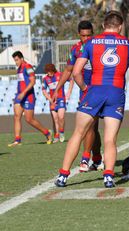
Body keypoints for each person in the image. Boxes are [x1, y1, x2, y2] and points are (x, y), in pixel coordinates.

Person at [55, 11, 129, 188]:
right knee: (110, 139)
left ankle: (63, 175)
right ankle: (108, 176)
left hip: (94, 91)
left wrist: (84, 88)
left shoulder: (90, 42)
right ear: (120, 26)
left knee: (78, 133)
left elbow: (75, 72)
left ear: (104, 25)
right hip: (116, 93)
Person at [53, 20, 103, 172]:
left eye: (88, 35)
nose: (86, 39)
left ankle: (91, 158)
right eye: (83, 36)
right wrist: (58, 88)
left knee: (93, 127)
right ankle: (91, 158)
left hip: (101, 89)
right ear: (78, 35)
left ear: (92, 34)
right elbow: (68, 70)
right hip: (85, 91)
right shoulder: (76, 49)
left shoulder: (99, 46)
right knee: (91, 125)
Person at [8, 51, 52, 147]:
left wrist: (23, 93)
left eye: (16, 60)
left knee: (29, 119)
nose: (15, 62)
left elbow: (33, 82)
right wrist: (18, 94)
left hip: (28, 96)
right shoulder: (19, 69)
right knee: (16, 116)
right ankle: (17, 140)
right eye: (14, 60)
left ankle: (47, 133)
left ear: (21, 59)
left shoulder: (28, 67)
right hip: (19, 96)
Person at [42, 64, 72, 143]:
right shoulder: (45, 79)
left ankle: (61, 132)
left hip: (61, 99)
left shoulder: (60, 75)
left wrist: (69, 92)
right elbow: (44, 90)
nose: (48, 73)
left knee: (61, 117)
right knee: (55, 119)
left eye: (49, 71)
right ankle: (56, 136)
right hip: (53, 101)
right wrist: (50, 99)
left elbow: (71, 79)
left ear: (53, 70)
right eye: (47, 72)